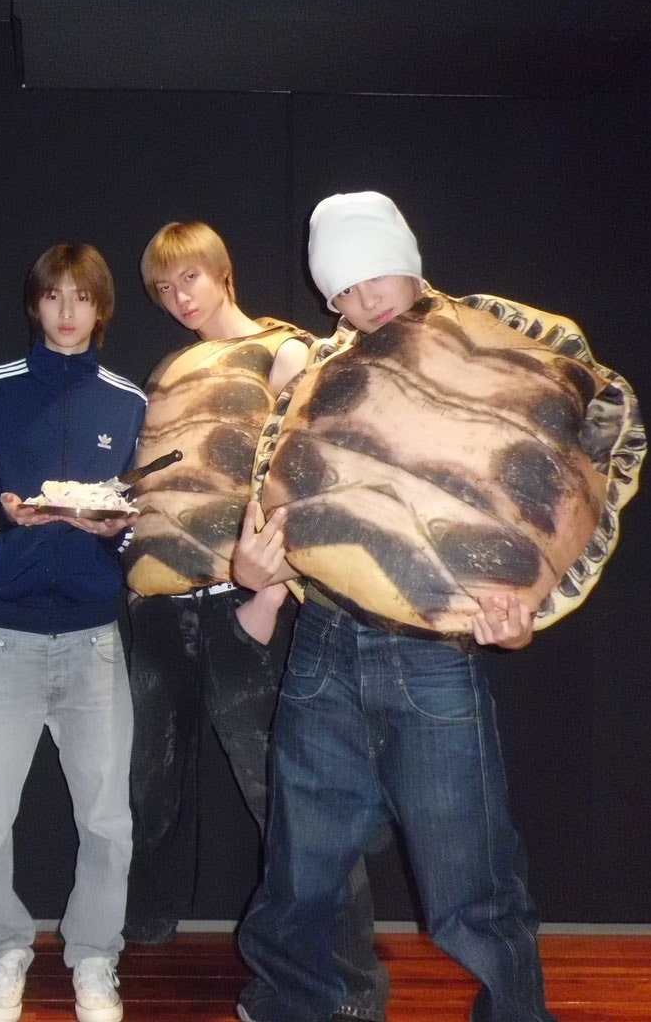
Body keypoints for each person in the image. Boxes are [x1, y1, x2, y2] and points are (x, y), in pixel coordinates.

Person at [232, 191, 556, 1022]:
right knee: (301, 873)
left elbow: (542, 489)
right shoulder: (319, 376)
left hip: (433, 654)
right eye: (341, 287)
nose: (362, 297)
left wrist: (526, 607)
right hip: (323, 644)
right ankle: (293, 1006)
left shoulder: (485, 356)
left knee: (473, 883)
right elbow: (279, 492)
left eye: (373, 272)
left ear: (407, 262)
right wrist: (254, 561)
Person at [124, 222, 388, 1020]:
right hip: (156, 608)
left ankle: (353, 987)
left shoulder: (285, 349)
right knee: (151, 791)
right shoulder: (168, 368)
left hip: (238, 608)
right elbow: (149, 479)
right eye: (164, 287)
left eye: (190, 277)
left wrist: (269, 598)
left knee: (292, 803)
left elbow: (305, 478)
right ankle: (145, 938)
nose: (179, 297)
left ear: (222, 270)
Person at [0, 243, 146, 1022]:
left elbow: (138, 521)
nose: (68, 312)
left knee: (107, 819)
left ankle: (95, 958)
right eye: (54, 296)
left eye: (83, 297)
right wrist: (6, 520)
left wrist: (115, 529)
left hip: (95, 638)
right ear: (35, 304)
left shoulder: (127, 401)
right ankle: (1, 953)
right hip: (0, 635)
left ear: (102, 308)